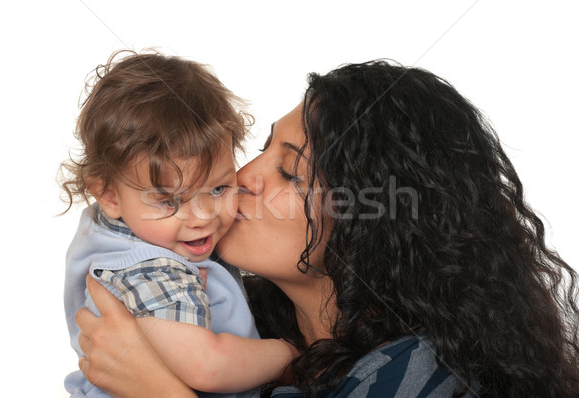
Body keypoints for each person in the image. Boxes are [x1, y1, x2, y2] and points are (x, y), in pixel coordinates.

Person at [74, 60, 579, 397]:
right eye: (263, 148)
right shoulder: (232, 322)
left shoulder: (421, 374)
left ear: (371, 222)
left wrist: (158, 390)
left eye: (289, 171)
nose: (243, 177)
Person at [60, 50, 297, 398]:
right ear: (108, 196)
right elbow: (207, 366)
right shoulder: (152, 269)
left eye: (218, 188)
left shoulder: (124, 223)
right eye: (170, 200)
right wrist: (292, 355)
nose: (203, 217)